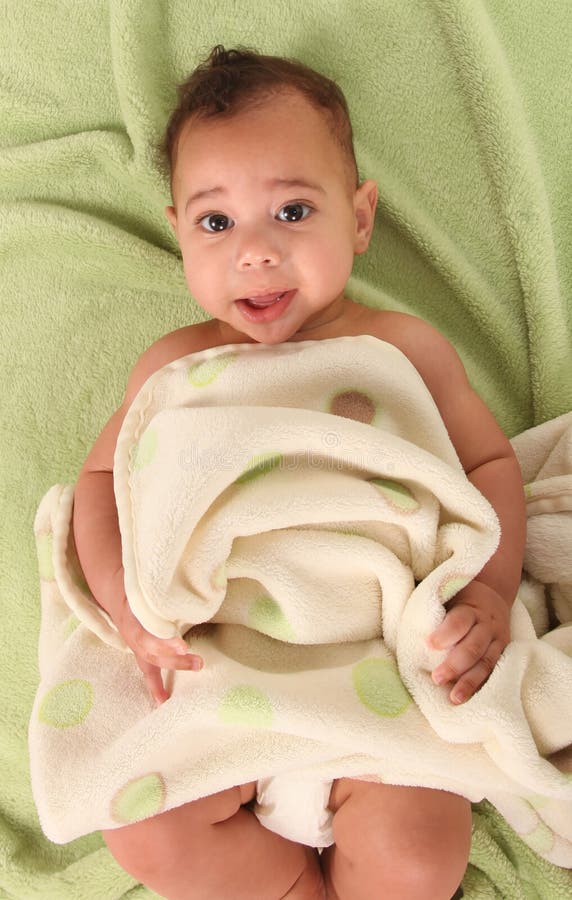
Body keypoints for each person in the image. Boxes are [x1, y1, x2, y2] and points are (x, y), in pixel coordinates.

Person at [72, 45, 526, 900]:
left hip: (381, 684)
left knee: (423, 852)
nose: (255, 252)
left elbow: (490, 463)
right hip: (221, 686)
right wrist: (126, 607)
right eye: (217, 224)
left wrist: (491, 594)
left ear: (359, 219)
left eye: (292, 211)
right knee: (137, 824)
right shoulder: (172, 369)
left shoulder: (403, 349)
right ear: (178, 232)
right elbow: (100, 487)